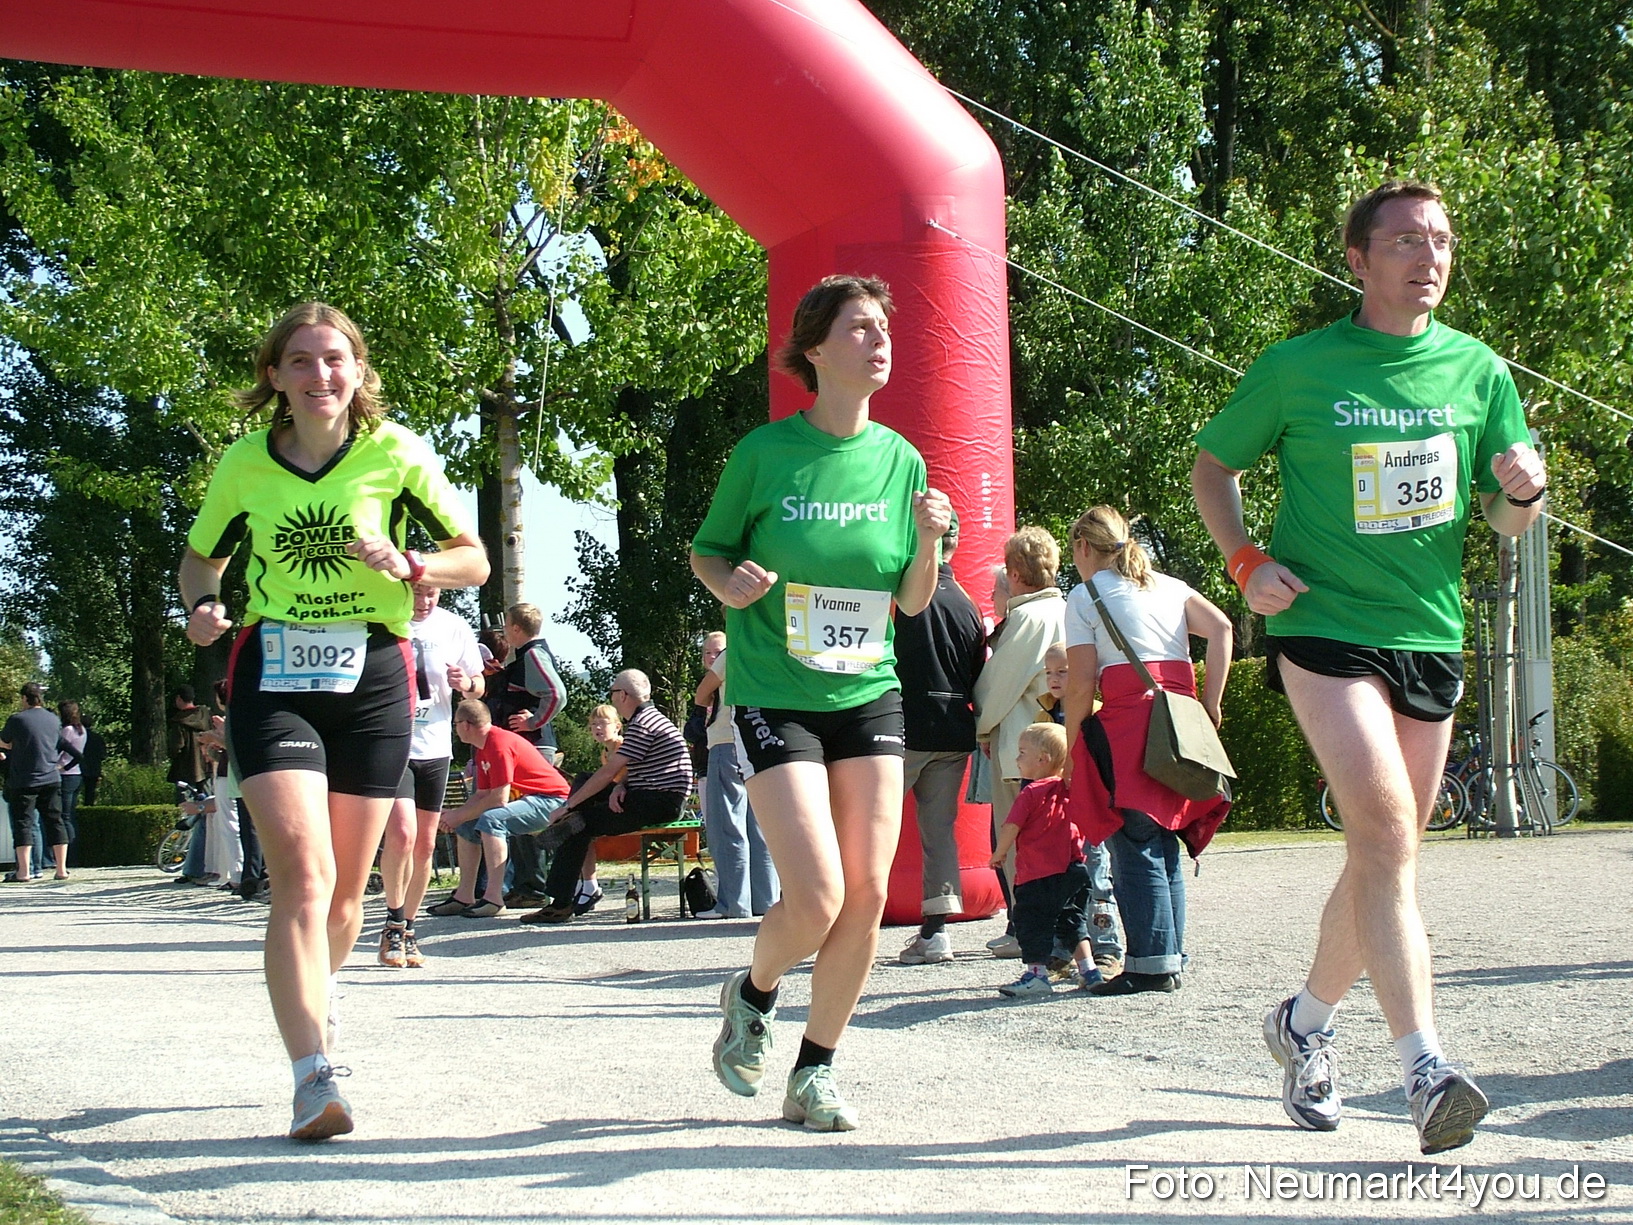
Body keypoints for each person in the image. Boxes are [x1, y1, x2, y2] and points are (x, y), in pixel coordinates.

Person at [1190, 181, 1544, 1154]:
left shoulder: (1477, 370)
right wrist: (1244, 561)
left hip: (1426, 632)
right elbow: (1213, 467)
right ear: (1357, 259)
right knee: (1385, 833)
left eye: (1441, 240)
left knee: (1383, 853)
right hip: (1322, 623)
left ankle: (1302, 1022)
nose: (1428, 257)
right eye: (1404, 241)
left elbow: (1504, 517)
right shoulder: (1298, 366)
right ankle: (1425, 1069)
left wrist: (1522, 490)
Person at [179, 301, 487, 1141]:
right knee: (304, 878)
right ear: (274, 376)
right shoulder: (246, 462)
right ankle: (312, 1076)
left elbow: (472, 558)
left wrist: (414, 562)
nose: (320, 375)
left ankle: (318, 991)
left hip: (375, 675)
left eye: (335, 359)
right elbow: (201, 558)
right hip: (274, 673)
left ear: (358, 371)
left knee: (349, 895)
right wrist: (202, 606)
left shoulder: (396, 452)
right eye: (302, 361)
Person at [689, 273, 950, 1131]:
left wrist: (932, 540)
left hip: (868, 689)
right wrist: (730, 582)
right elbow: (707, 551)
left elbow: (912, 598)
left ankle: (814, 1072)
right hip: (775, 691)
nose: (878, 341)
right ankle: (753, 988)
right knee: (815, 897)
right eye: (858, 328)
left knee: (867, 893)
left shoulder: (901, 459)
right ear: (815, 349)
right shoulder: (765, 453)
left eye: (883, 327)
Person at [1062, 506, 1232, 998]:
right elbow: (1222, 628)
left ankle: (1152, 966)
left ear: (1083, 547)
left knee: (1135, 842)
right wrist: (1211, 704)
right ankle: (1168, 956)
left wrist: (1073, 745)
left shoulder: (1085, 596)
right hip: (1181, 720)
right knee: (1164, 839)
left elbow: (1080, 683)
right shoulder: (1170, 586)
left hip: (1129, 725)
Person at [519, 669, 692, 924]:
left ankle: (560, 904)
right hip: (654, 796)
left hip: (658, 802)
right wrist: (622, 786)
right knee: (583, 783)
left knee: (578, 823)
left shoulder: (643, 724)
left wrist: (568, 806)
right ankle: (563, 837)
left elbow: (609, 771)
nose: (611, 698)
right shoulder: (652, 719)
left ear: (623, 695)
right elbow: (636, 769)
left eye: (612, 692)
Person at [891, 514, 985, 964]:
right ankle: (936, 930)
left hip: (903, 727)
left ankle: (848, 922)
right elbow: (978, 673)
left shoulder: (905, 596)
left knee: (868, 826)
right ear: (957, 545)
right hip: (954, 729)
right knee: (939, 832)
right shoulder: (968, 605)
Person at [377, 582, 484, 966]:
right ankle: (392, 921)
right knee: (402, 833)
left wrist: (466, 685)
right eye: (417, 593)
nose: (424, 602)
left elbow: (478, 685)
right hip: (394, 743)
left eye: (432, 594)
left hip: (435, 746)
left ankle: (408, 927)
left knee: (424, 844)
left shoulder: (453, 626)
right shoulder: (383, 618)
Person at [973, 528, 1066, 951]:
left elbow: (996, 687)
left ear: (1013, 573)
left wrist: (981, 726)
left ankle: (1029, 933)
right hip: (1060, 744)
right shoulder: (1066, 609)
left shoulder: (1028, 618)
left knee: (1019, 847)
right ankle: (1060, 933)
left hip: (1023, 750)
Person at [427, 701, 570, 917]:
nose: (455, 729)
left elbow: (498, 799)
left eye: (455, 724)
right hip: (532, 799)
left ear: (465, 725)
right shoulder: (482, 747)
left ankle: (494, 899)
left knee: (493, 819)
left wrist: (457, 815)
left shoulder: (498, 743)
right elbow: (481, 795)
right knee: (467, 825)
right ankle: (464, 896)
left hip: (553, 801)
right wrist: (458, 816)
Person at [988, 723, 1099, 998]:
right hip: (1074, 869)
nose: (1017, 758)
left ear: (1042, 759)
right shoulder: (1070, 790)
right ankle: (1089, 970)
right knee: (1072, 920)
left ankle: (1036, 974)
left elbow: (1011, 826)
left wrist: (1000, 852)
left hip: (1037, 874)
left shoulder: (1031, 792)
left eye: (1022, 752)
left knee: (1032, 923)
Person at [692, 632, 779, 920]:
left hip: (727, 740)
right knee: (761, 826)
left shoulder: (735, 652)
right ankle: (766, 901)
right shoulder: (773, 646)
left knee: (728, 824)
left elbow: (701, 693)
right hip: (764, 741)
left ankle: (733, 903)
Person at [2, 683, 68, 881]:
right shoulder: (54, 719)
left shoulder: (17, 719)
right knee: (56, 821)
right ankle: (61, 869)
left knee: (23, 824)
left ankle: (23, 872)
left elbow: (5, 741)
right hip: (51, 777)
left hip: (24, 779)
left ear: (24, 698)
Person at [56, 701, 87, 866]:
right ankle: (73, 853)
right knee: (70, 815)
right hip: (76, 775)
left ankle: (68, 855)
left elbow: (60, 750)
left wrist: (62, 766)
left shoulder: (67, 730)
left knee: (64, 816)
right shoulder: (81, 730)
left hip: (66, 775)